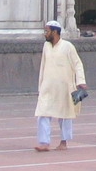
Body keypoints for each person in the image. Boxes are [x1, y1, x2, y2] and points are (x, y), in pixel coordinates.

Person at [34, 20, 87, 152]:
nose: (45, 34)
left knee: (64, 115)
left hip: (64, 88)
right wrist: (40, 86)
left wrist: (80, 81)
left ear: (55, 32)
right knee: (43, 113)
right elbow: (43, 67)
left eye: (47, 31)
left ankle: (64, 142)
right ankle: (44, 142)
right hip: (47, 87)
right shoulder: (46, 47)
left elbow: (77, 64)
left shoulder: (67, 46)